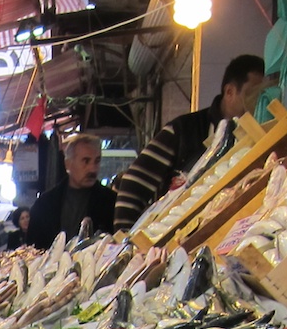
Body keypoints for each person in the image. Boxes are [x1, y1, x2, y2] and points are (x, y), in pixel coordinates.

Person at [112, 54, 266, 232]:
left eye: (264, 94)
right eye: (252, 94)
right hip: (171, 238)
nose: (258, 101)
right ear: (230, 91)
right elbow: (134, 182)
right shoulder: (183, 130)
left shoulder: (261, 138)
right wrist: (125, 238)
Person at [28, 134, 115, 245]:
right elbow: (32, 248)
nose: (92, 169)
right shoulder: (44, 204)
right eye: (86, 161)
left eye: (97, 161)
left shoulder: (111, 202)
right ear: (68, 164)